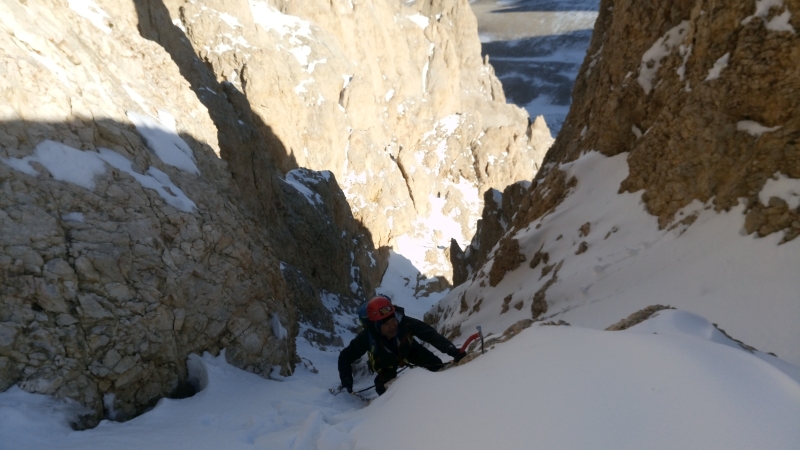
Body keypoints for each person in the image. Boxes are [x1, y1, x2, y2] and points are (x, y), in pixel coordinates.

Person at [338, 295, 465, 395]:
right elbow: (345, 357)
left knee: (437, 366)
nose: (393, 326)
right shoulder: (367, 337)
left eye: (393, 320)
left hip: (409, 350)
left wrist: (452, 350)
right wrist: (347, 384)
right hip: (385, 361)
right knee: (384, 389)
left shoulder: (405, 323)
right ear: (376, 326)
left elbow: (429, 334)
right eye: (386, 324)